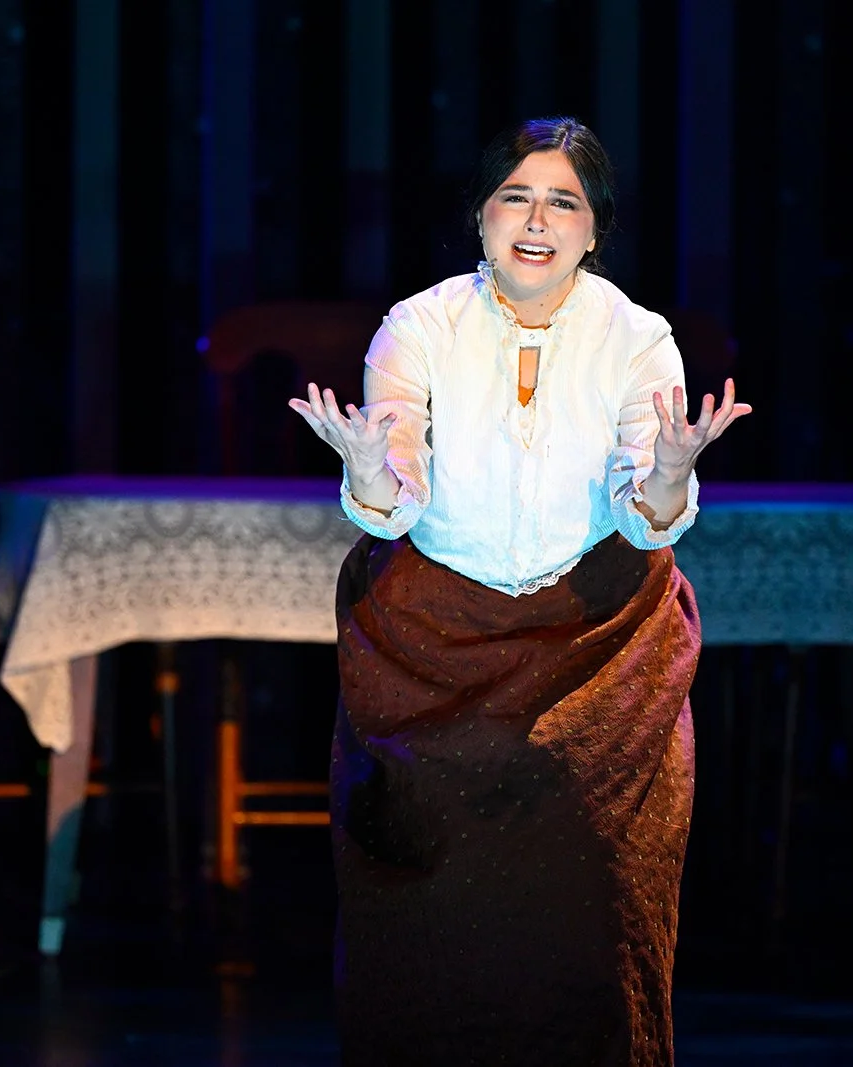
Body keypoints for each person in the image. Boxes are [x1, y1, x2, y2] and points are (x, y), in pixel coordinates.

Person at [288, 116, 749, 1067]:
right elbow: (392, 500)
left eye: (563, 202)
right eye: (515, 197)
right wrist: (371, 468)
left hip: (599, 658)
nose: (536, 221)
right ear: (482, 214)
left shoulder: (636, 337)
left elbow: (645, 509)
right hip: (432, 654)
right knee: (427, 914)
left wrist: (669, 468)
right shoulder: (418, 325)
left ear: (594, 229)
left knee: (591, 911)